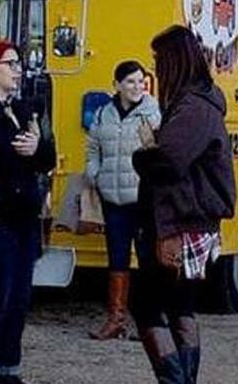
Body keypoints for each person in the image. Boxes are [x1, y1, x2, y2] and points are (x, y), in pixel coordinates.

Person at [130, 26, 236, 384]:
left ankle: (175, 380)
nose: (154, 68)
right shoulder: (201, 104)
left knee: (147, 305)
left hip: (178, 220)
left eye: (158, 60)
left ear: (173, 62)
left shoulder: (192, 107)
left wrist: (142, 156)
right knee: (179, 305)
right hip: (189, 220)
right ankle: (183, 379)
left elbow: (170, 161)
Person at [0, 39, 56, 384]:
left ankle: (10, 367)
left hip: (24, 218)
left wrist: (37, 147)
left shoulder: (21, 109)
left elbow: (46, 159)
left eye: (18, 64)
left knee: (19, 298)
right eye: (10, 64)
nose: (18, 71)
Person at [85, 60, 161, 340]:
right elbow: (93, 147)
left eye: (141, 81)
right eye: (130, 82)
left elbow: (159, 152)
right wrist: (95, 174)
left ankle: (150, 321)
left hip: (141, 199)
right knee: (117, 259)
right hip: (112, 198)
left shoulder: (152, 113)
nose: (137, 87)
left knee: (146, 258)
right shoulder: (104, 113)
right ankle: (116, 319)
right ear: (116, 85)